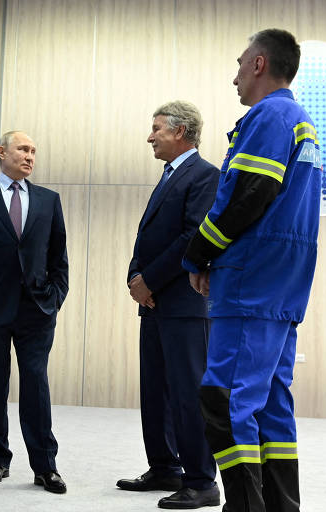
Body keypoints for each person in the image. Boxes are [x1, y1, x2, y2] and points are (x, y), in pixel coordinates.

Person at [182, 29, 322, 512]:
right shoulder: (299, 121)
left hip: (250, 278)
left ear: (260, 64)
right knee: (269, 404)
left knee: (225, 397)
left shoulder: (269, 115)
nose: (235, 75)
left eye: (241, 63)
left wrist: (199, 254)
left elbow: (249, 195)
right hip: (283, 282)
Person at [0, 130, 69, 494]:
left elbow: (59, 258)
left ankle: (45, 466)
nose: (30, 156)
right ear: (2, 152)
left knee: (35, 383)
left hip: (36, 309)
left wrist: (56, 297)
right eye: (23, 149)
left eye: (34, 150)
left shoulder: (49, 200)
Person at [118, 101, 220, 509]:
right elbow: (149, 236)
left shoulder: (205, 175)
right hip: (156, 303)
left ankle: (201, 481)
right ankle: (164, 467)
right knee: (156, 391)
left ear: (180, 132)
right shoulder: (169, 175)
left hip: (184, 304)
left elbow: (192, 236)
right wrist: (135, 276)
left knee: (186, 393)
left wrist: (149, 280)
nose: (150, 136)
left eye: (156, 128)